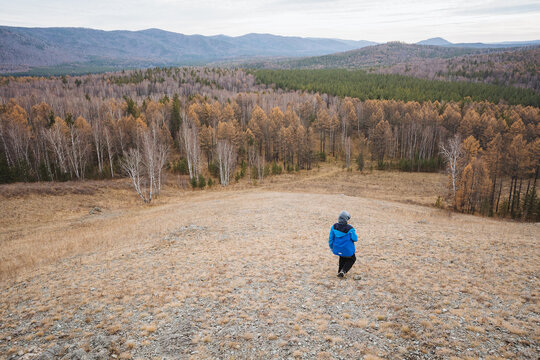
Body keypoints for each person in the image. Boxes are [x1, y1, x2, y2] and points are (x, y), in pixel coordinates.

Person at [328, 210, 358, 278]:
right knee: (352, 259)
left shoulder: (334, 226)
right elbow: (355, 239)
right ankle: (343, 271)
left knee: (342, 256)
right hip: (347, 249)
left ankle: (340, 272)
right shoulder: (350, 228)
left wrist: (331, 247)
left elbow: (331, 238)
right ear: (346, 219)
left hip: (337, 248)